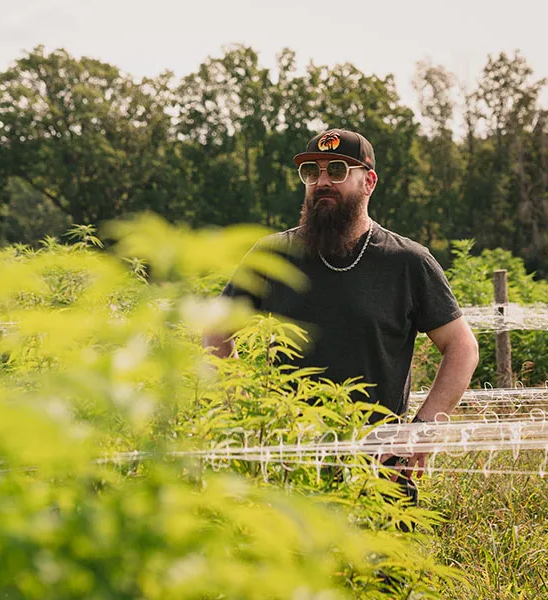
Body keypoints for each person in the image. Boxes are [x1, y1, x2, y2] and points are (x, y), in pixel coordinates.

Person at [204, 128, 479, 482]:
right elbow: (216, 329)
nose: (322, 182)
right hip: (289, 468)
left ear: (369, 182)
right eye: (312, 172)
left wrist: (421, 430)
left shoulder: (407, 262)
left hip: (379, 473)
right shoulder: (273, 254)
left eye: (336, 171)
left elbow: (462, 347)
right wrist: (239, 405)